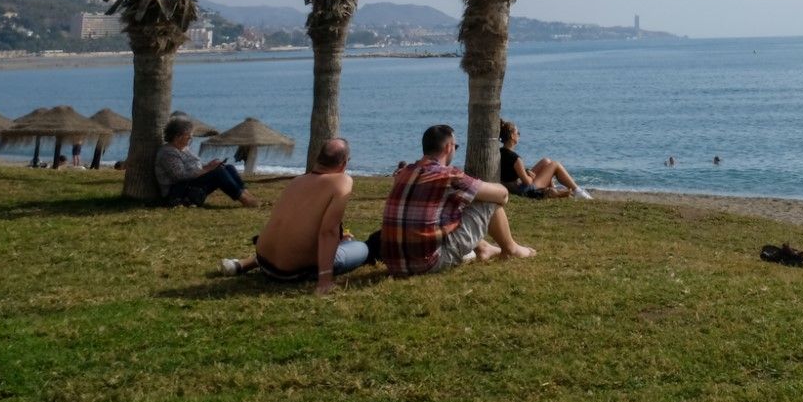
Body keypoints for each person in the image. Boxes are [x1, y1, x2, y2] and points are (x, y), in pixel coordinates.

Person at [219, 137, 369, 295]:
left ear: (319, 158)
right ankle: (324, 269)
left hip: (264, 260)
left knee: (305, 241)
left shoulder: (297, 181)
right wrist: (325, 280)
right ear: (344, 163)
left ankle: (243, 264)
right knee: (361, 248)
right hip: (290, 272)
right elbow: (328, 232)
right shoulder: (342, 181)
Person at [380, 124, 534, 278]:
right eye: (456, 146)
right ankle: (512, 249)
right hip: (426, 263)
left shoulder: (403, 173)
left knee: (449, 208)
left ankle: (483, 248)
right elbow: (503, 195)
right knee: (489, 201)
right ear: (448, 147)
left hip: (394, 263)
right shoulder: (448, 176)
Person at [154, 117, 258, 207]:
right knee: (219, 172)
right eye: (188, 135)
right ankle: (245, 200)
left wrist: (209, 165)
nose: (191, 137)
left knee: (228, 167)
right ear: (177, 136)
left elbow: (193, 167)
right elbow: (180, 176)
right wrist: (208, 169)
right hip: (177, 193)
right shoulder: (168, 153)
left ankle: (247, 195)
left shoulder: (184, 148)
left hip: (189, 185)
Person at [497, 121, 592, 200]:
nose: (519, 135)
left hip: (515, 186)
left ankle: (553, 189)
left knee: (546, 161)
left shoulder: (499, 152)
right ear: (512, 136)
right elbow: (528, 182)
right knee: (555, 164)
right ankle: (578, 192)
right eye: (518, 133)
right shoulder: (516, 158)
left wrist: (526, 172)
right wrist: (531, 176)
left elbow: (510, 172)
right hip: (525, 190)